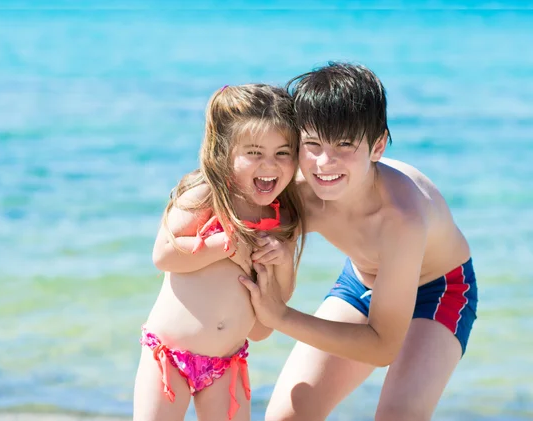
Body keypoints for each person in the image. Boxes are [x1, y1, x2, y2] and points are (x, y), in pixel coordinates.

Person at [238, 63, 478, 421]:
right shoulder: (300, 191)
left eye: (345, 144)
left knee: (398, 416)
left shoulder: (400, 217)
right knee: (286, 417)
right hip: (364, 279)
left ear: (378, 145)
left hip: (438, 290)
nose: (324, 162)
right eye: (313, 144)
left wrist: (281, 316)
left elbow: (381, 347)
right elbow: (227, 205)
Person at [133, 84, 305, 421]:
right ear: (225, 152)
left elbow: (266, 323)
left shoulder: (281, 219)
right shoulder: (208, 195)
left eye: (283, 153)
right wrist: (223, 246)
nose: (269, 165)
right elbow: (163, 254)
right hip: (168, 356)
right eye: (254, 152)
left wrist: (282, 262)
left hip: (227, 364)